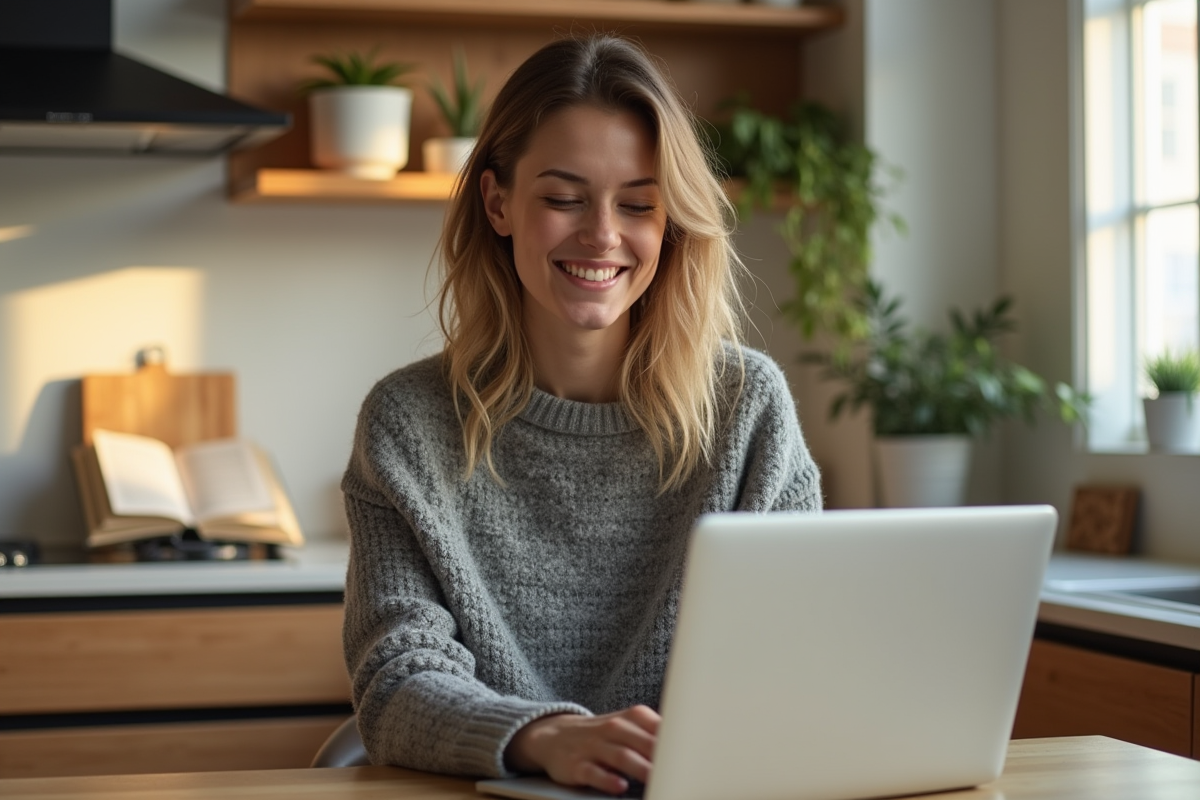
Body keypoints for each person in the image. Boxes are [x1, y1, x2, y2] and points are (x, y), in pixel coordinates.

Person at [341, 34, 822, 796]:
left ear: (671, 224)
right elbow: (396, 682)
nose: (602, 234)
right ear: (498, 203)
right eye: (564, 198)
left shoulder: (747, 409)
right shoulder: (408, 423)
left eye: (638, 204)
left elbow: (801, 655)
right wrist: (547, 737)